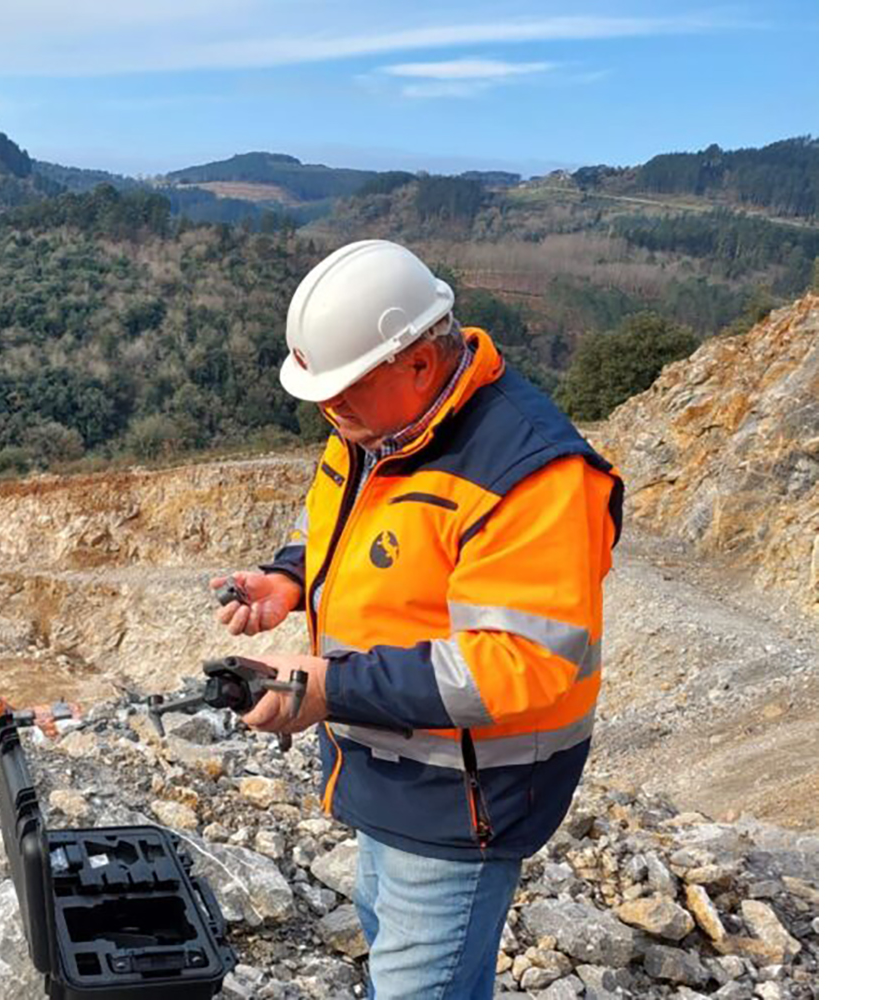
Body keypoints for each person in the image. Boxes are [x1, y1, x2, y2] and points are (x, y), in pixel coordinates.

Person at [211, 240, 623, 999]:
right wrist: (288, 578)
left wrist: (328, 685)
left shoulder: (532, 475)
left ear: (419, 364)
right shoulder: (378, 427)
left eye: (344, 393)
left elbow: (517, 664)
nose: (330, 414)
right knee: (407, 956)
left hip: (465, 800)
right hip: (389, 769)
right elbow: (344, 527)